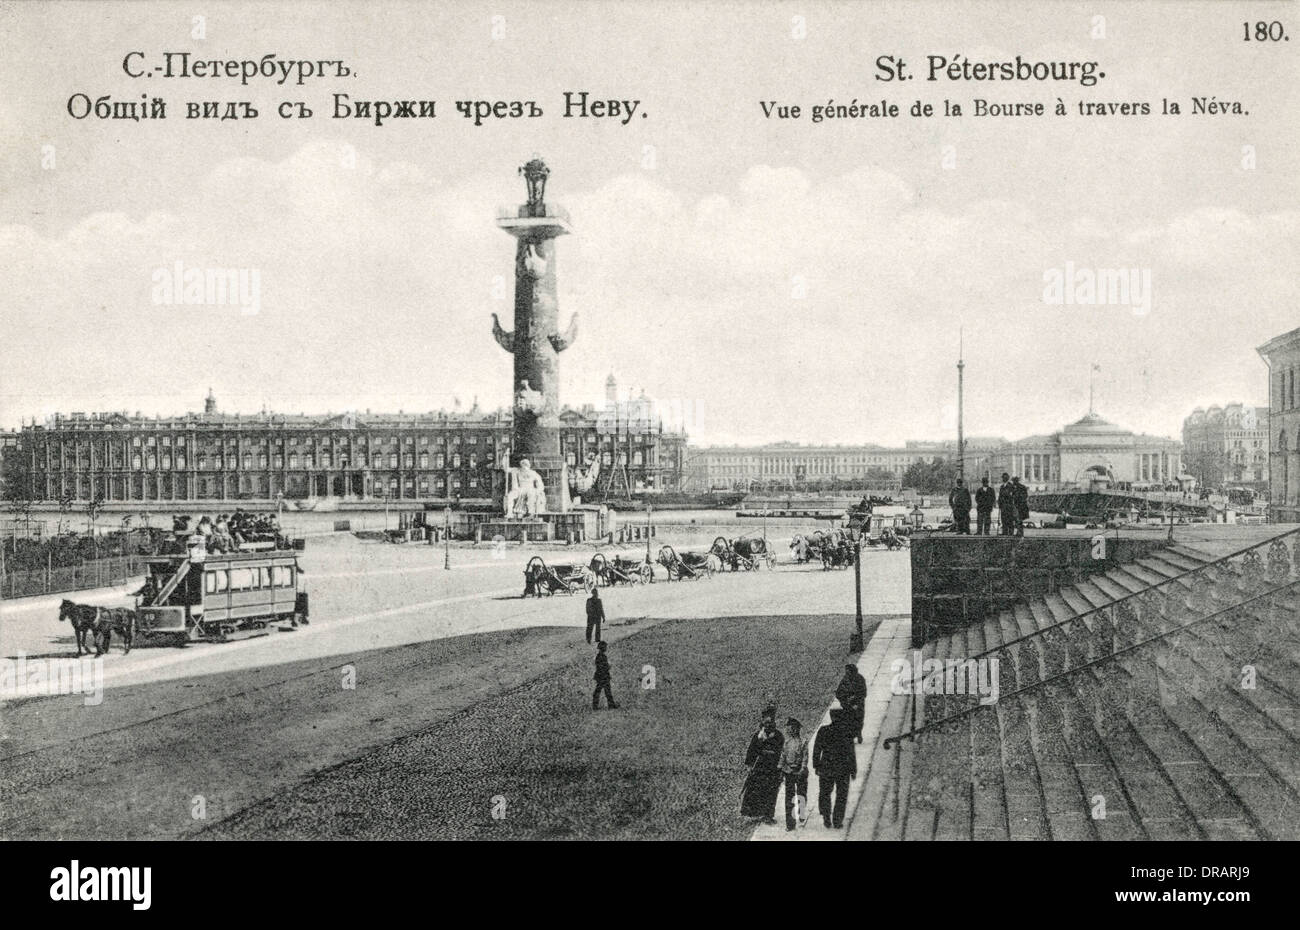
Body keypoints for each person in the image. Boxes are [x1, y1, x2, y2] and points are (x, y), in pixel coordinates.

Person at [813, 701, 857, 828]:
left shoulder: (823, 731)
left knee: (825, 793)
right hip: (843, 768)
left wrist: (816, 766)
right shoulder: (846, 732)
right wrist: (853, 770)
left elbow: (817, 750)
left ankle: (826, 817)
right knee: (841, 795)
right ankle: (837, 820)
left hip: (826, 768)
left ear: (831, 716)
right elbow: (851, 752)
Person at [740, 708, 784, 823]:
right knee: (754, 790)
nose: (768, 724)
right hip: (759, 768)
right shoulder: (758, 736)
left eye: (770, 722)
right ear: (762, 722)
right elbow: (751, 751)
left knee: (770, 791)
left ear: (774, 722)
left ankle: (768, 815)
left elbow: (782, 753)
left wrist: (781, 768)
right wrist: (750, 766)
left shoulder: (779, 736)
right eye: (766, 722)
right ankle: (752, 814)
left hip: (772, 769)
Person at [778, 717, 809, 831]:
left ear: (798, 729)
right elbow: (783, 756)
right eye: (791, 728)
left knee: (801, 794)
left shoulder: (803, 742)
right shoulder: (787, 742)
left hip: (800, 772)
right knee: (789, 798)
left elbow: (805, 757)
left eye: (795, 728)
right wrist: (780, 768)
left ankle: (801, 812)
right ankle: (790, 824)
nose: (792, 730)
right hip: (789, 772)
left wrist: (803, 768)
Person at [836, 662, 868, 744]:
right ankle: (850, 736)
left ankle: (858, 733)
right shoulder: (845, 680)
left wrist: (856, 703)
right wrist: (845, 701)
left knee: (859, 720)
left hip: (858, 704)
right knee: (848, 721)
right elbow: (838, 693)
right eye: (846, 671)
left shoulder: (860, 679)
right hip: (847, 705)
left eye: (848, 671)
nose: (847, 673)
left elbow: (863, 693)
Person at [592, 641, 618, 709]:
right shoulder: (602, 656)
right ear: (603, 648)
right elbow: (603, 666)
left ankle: (595, 705)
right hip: (604, 676)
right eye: (605, 647)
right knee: (607, 691)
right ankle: (611, 705)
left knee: (599, 691)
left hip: (600, 676)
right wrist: (608, 667)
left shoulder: (598, 656)